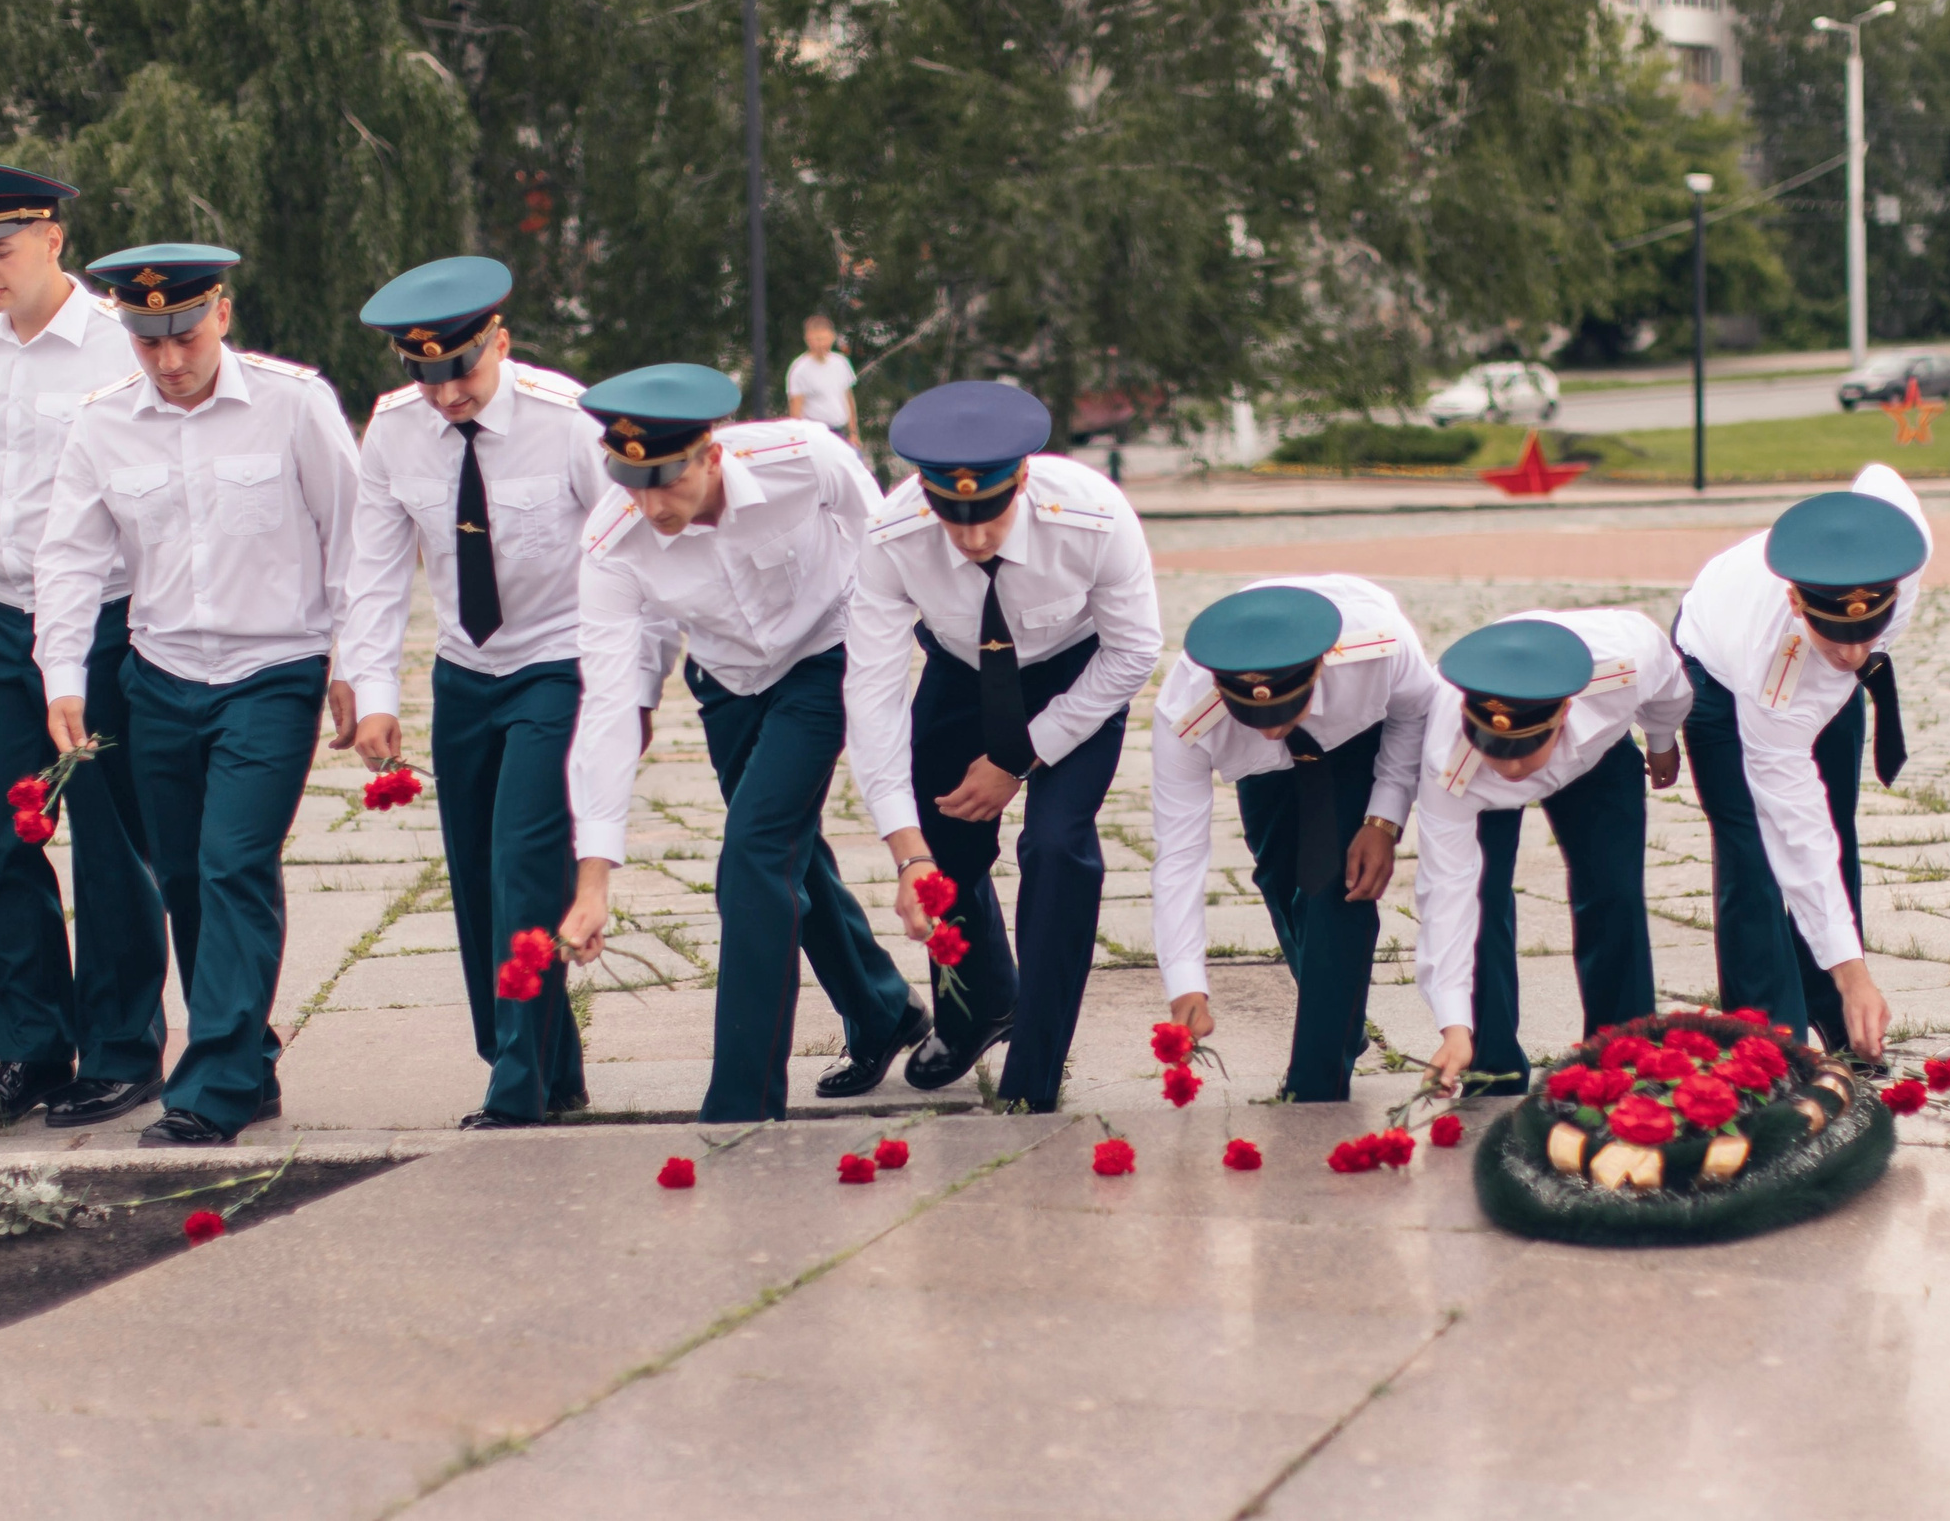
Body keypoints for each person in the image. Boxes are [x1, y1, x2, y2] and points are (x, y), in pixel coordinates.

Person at [38, 244, 361, 1145]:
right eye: (148, 341)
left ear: (220, 310)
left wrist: (355, 670)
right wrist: (62, 675)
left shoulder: (295, 404)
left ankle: (211, 1088)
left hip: (273, 671)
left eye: (183, 334)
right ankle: (250, 1060)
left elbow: (354, 542)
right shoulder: (101, 424)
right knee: (181, 873)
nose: (170, 360)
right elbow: (67, 558)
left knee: (231, 865)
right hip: (161, 677)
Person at [557, 364, 921, 1121]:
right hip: (727, 681)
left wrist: (887, 666)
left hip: (826, 654)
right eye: (633, 481)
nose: (652, 504)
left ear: (711, 453)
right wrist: (593, 880)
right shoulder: (612, 539)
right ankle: (883, 1009)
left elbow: (886, 542)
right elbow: (605, 707)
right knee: (791, 854)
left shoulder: (803, 457)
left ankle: (744, 1099)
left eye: (668, 479)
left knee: (752, 854)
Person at [337, 256, 647, 1128]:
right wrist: (375, 690)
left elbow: (629, 554)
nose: (446, 397)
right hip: (467, 671)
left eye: (462, 372)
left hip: (559, 663)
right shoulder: (394, 430)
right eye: (424, 376)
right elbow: (376, 570)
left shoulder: (568, 421)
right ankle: (549, 1062)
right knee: (476, 877)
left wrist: (637, 691)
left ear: (499, 343)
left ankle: (518, 1085)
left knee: (521, 865)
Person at [847, 381, 1159, 1111]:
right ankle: (978, 1007)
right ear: (925, 494)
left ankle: (1036, 1070)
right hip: (963, 667)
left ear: (1022, 478)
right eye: (952, 520)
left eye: (988, 515)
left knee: (1054, 847)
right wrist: (906, 849)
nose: (974, 538)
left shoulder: (1093, 513)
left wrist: (1018, 758)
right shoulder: (891, 534)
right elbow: (872, 691)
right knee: (944, 845)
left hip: (1077, 674)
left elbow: (1135, 650)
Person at [0, 165, 170, 1131]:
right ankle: (27, 1049)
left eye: (1, 249)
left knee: (114, 844)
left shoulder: (121, 354)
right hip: (0, 620)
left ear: (51, 239)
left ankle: (123, 1048)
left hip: (111, 621)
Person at [1673, 467, 1930, 1063]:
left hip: (1813, 684)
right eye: (1837, 635)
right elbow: (1793, 824)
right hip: (1715, 669)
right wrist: (1858, 974)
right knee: (1754, 846)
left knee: (1838, 829)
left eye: (1870, 632)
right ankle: (1767, 1038)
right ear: (1796, 600)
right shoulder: (1768, 661)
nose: (1855, 654)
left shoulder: (1902, 551)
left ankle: (1837, 1006)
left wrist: (1849, 976)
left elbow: (1881, 477)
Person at [1150, 578, 1433, 1100]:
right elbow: (1179, 855)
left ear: (1320, 668)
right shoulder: (1184, 715)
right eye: (1254, 714)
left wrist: (1383, 820)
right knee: (1279, 875)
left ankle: (1316, 1084)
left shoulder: (1380, 647)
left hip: (1353, 737)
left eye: (1285, 710)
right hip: (1262, 774)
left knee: (1337, 889)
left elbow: (1416, 713)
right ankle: (1339, 1015)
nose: (1272, 730)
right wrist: (1186, 984)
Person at [1412, 612, 1690, 1094]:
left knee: (1614, 891)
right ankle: (1487, 1062)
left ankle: (1621, 1058)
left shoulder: (1625, 662)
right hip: (1476, 788)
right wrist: (1453, 1026)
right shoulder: (1448, 757)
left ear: (1563, 713)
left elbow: (1671, 688)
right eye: (1499, 748)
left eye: (1525, 748)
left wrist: (1662, 742)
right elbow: (1447, 895)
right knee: (1482, 900)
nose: (1514, 766)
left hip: (1598, 756)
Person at [787, 315, 857, 444]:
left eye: (824, 339)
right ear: (808, 340)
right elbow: (796, 409)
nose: (821, 344)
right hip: (816, 434)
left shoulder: (841, 363)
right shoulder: (799, 370)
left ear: (832, 337)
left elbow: (848, 398)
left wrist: (853, 432)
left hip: (840, 431)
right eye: (817, 340)